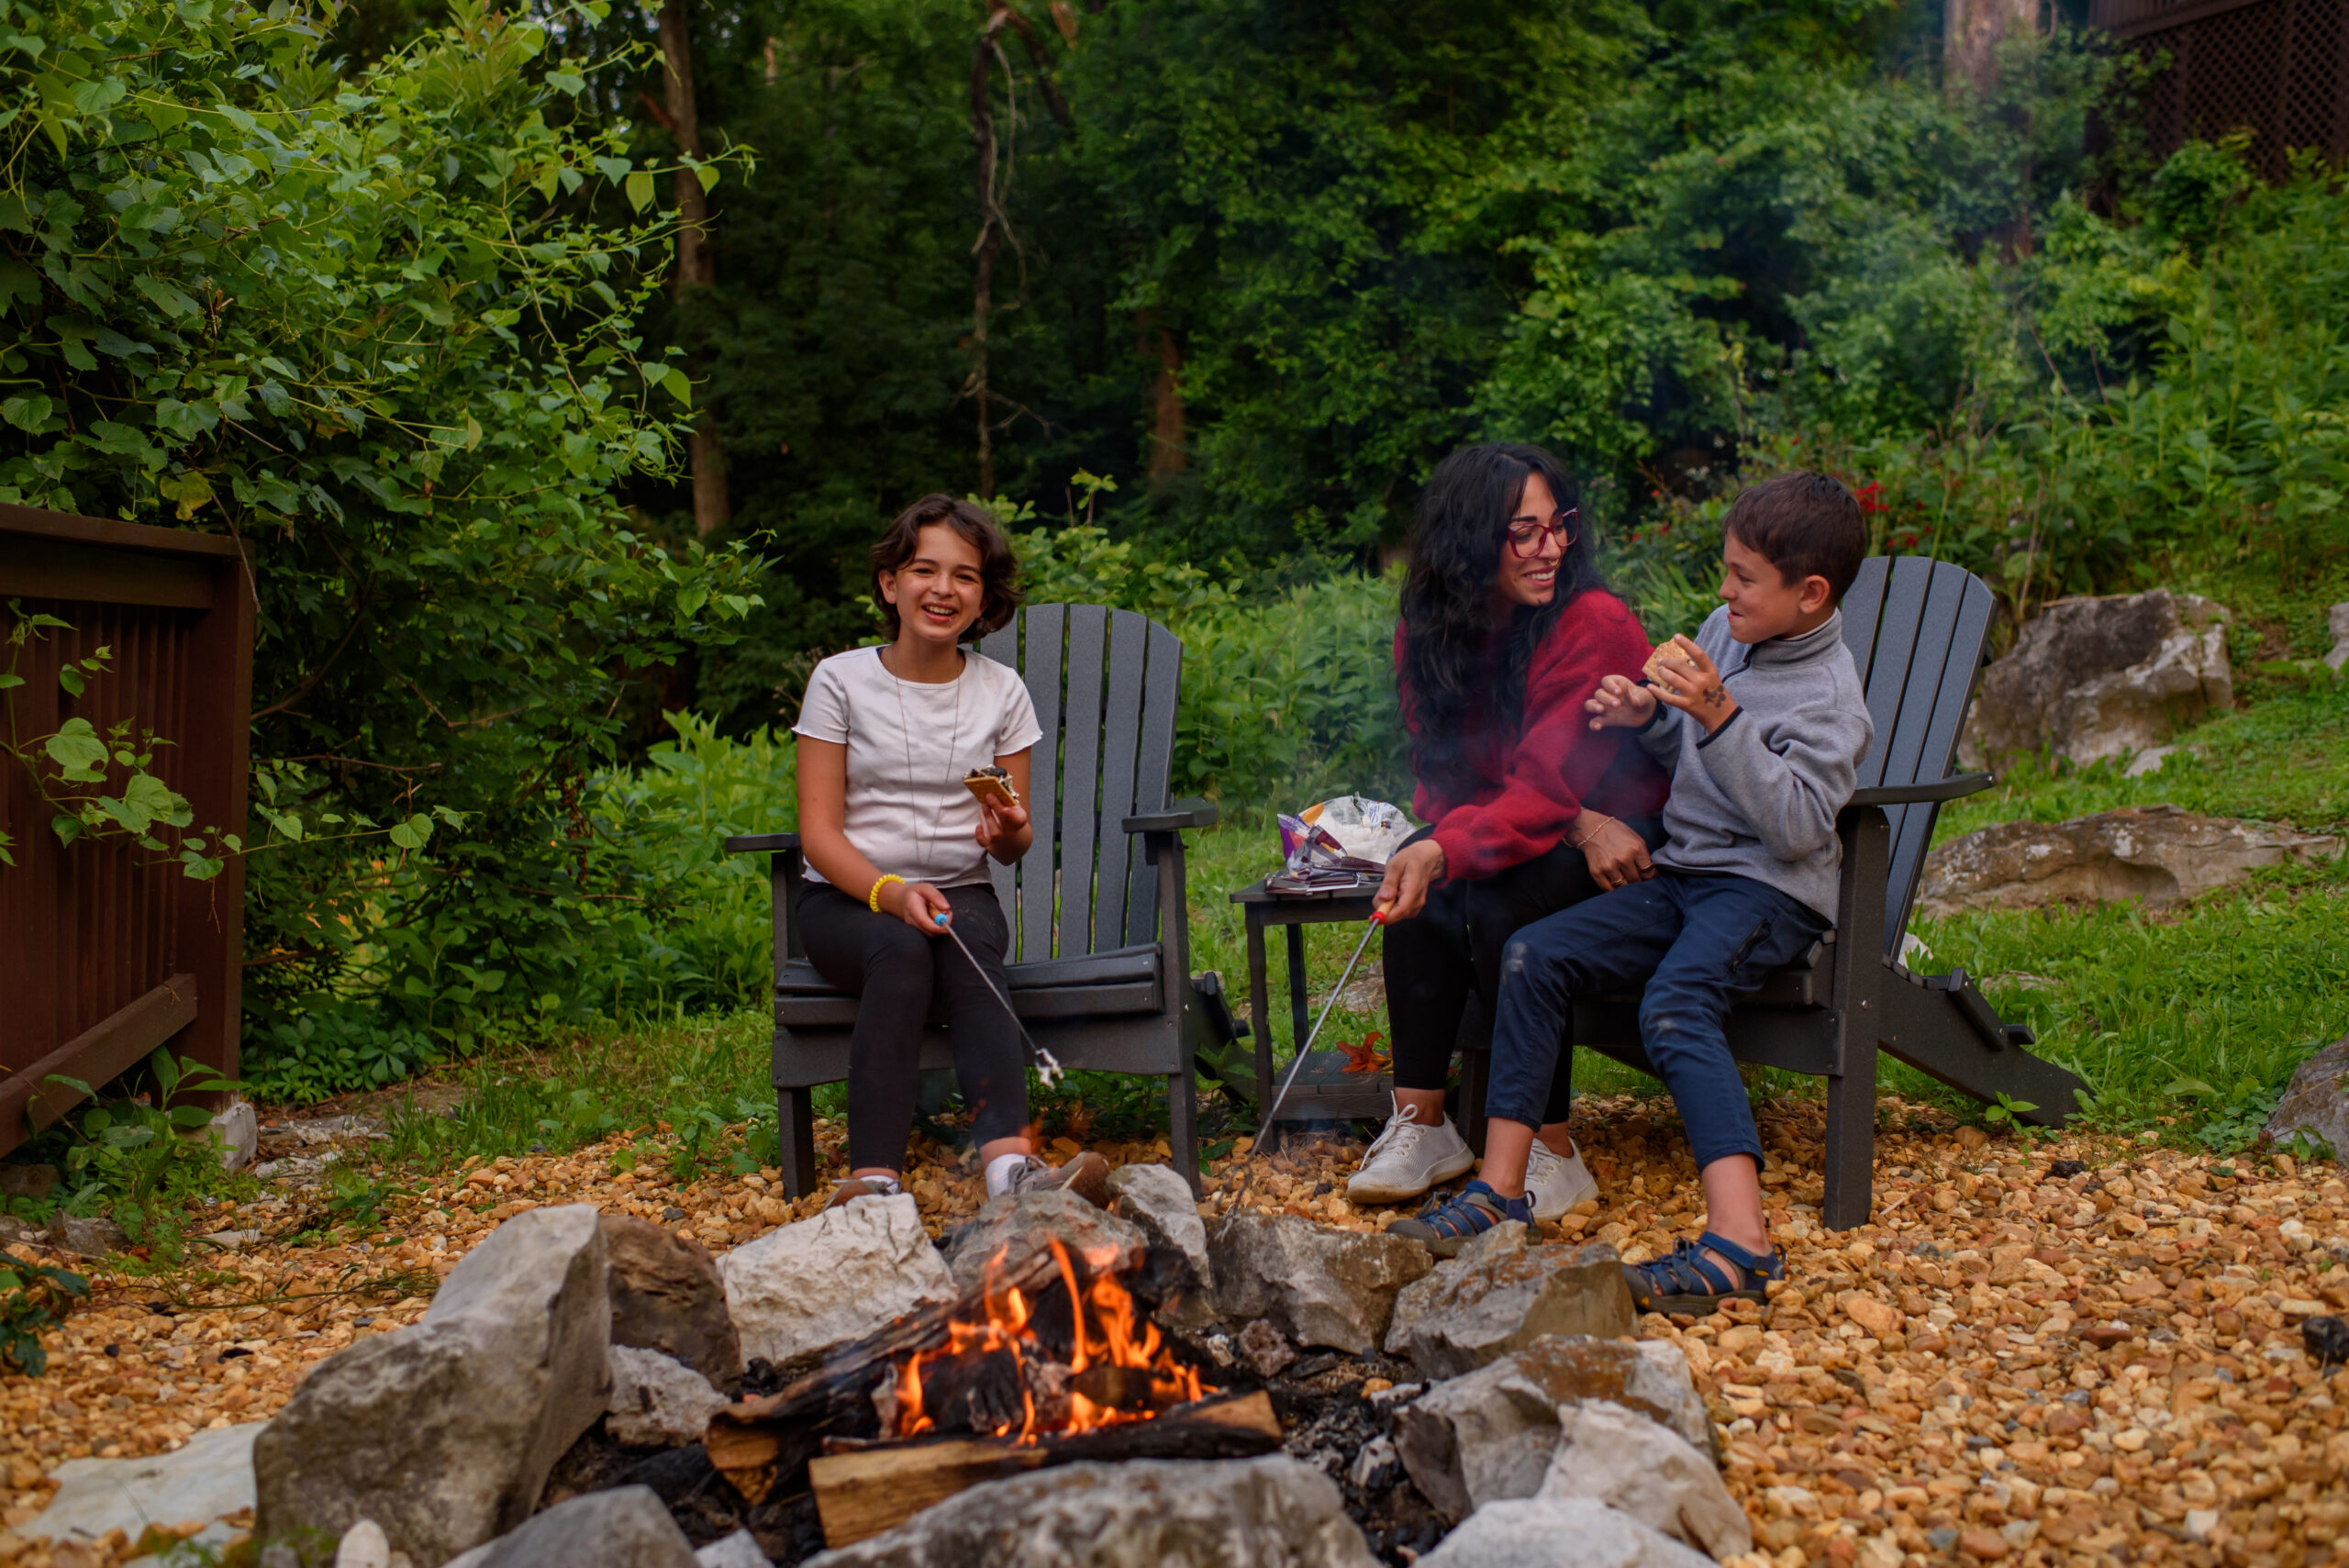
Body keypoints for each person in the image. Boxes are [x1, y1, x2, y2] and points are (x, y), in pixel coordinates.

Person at [1388, 471, 1873, 1312]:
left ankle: (1742, 1244)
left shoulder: (1831, 697)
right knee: (1534, 953)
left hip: (1766, 893)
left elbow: (1797, 825)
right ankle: (1502, 1191)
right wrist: (1646, 717)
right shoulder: (1728, 634)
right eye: (1726, 569)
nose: (1722, 592)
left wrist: (1720, 716)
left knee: (1676, 1004)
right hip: (1685, 873)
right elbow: (1688, 754)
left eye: (1742, 577)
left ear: (1810, 593)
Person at [1349, 442, 1671, 1219]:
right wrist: (1438, 845)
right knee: (1422, 875)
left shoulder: (1592, 622)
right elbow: (1447, 782)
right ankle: (1425, 1122)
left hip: (1633, 829)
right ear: (1468, 542)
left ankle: (1551, 1146)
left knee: (1498, 900)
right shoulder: (1428, 630)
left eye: (1557, 524)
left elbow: (1546, 782)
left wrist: (1575, 821)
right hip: (1552, 818)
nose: (1552, 546)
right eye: (1523, 532)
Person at [792, 494, 1107, 1210]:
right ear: (889, 583)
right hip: (848, 901)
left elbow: (1012, 835)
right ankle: (872, 1177)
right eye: (924, 569)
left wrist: (1008, 830)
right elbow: (819, 835)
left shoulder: (1000, 692)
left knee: (964, 940)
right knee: (899, 950)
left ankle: (1009, 1168)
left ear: (984, 597)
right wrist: (892, 893)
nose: (943, 589)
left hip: (962, 894)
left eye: (964, 576)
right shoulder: (839, 682)